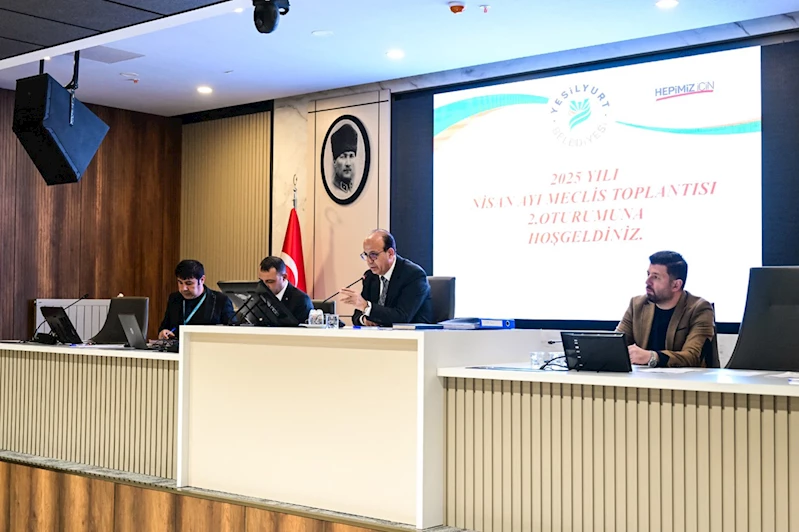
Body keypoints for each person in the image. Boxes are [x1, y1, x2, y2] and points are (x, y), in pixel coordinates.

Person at [616, 251, 715, 367]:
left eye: (655, 277)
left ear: (676, 285)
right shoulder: (637, 304)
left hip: (683, 378)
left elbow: (692, 357)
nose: (647, 282)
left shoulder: (699, 309)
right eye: (648, 274)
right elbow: (616, 344)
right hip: (642, 377)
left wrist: (652, 357)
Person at [341, 229, 433, 326]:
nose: (369, 261)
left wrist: (366, 307)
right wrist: (364, 320)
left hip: (412, 334)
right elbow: (357, 315)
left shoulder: (413, 275)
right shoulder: (370, 276)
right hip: (380, 334)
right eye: (366, 255)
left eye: (373, 255)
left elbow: (402, 317)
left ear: (390, 253)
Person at [158, 260, 236, 340]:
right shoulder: (174, 299)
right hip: (178, 346)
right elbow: (164, 327)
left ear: (202, 280)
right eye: (180, 282)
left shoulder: (221, 301)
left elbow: (234, 334)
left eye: (189, 283)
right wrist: (163, 332)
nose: (183, 288)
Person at [258, 256, 314, 324]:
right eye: (261, 281)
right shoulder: (258, 296)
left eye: (270, 281)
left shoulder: (301, 301)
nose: (264, 286)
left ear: (284, 277)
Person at [331, 124, 358, 193]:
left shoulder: (354, 188)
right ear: (334, 161)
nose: (348, 163)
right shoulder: (333, 189)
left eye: (351, 156)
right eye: (343, 157)